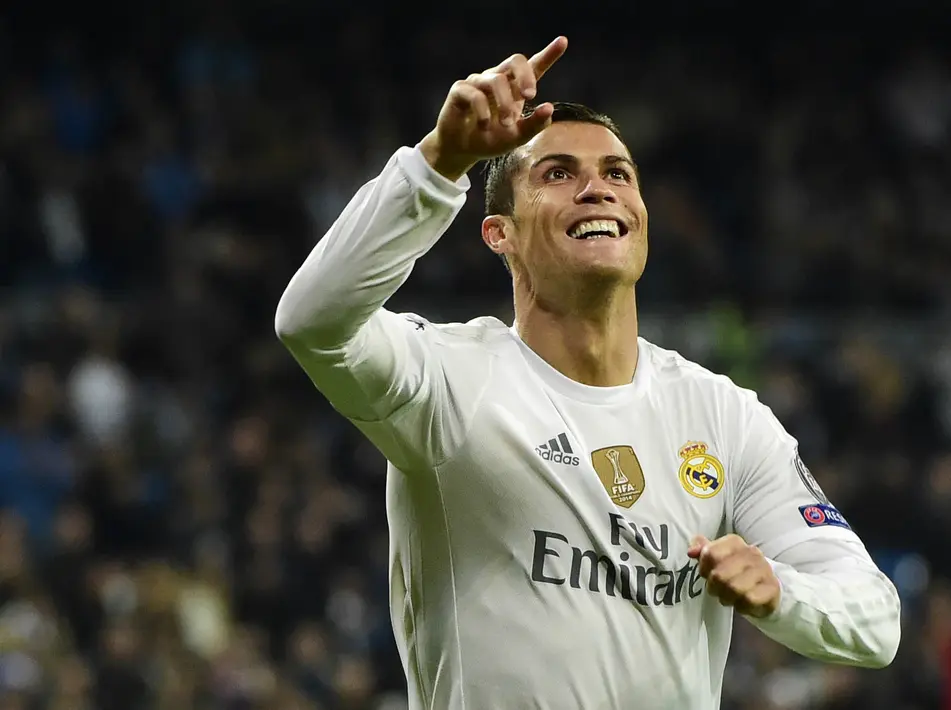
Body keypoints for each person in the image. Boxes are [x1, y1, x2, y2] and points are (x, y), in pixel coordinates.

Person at [275, 36, 901, 709]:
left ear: (641, 219)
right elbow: (310, 321)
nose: (596, 187)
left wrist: (782, 590)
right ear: (500, 234)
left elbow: (874, 619)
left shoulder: (723, 416)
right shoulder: (447, 380)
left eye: (617, 173)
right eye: (557, 174)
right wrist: (440, 162)